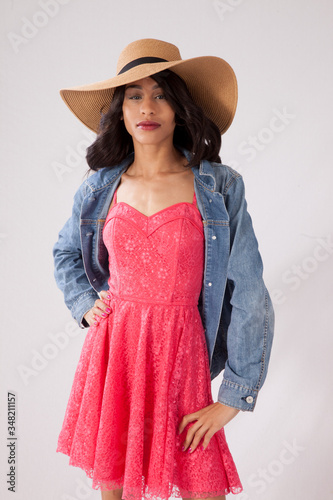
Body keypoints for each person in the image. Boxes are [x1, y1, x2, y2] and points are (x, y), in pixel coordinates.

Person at [53, 38, 274, 500]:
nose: (147, 107)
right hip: (115, 352)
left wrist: (234, 396)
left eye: (161, 93)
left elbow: (248, 290)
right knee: (115, 487)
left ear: (179, 108)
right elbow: (66, 252)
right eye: (134, 95)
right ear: (120, 111)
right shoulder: (99, 188)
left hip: (182, 352)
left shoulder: (219, 185)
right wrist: (84, 303)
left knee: (201, 485)